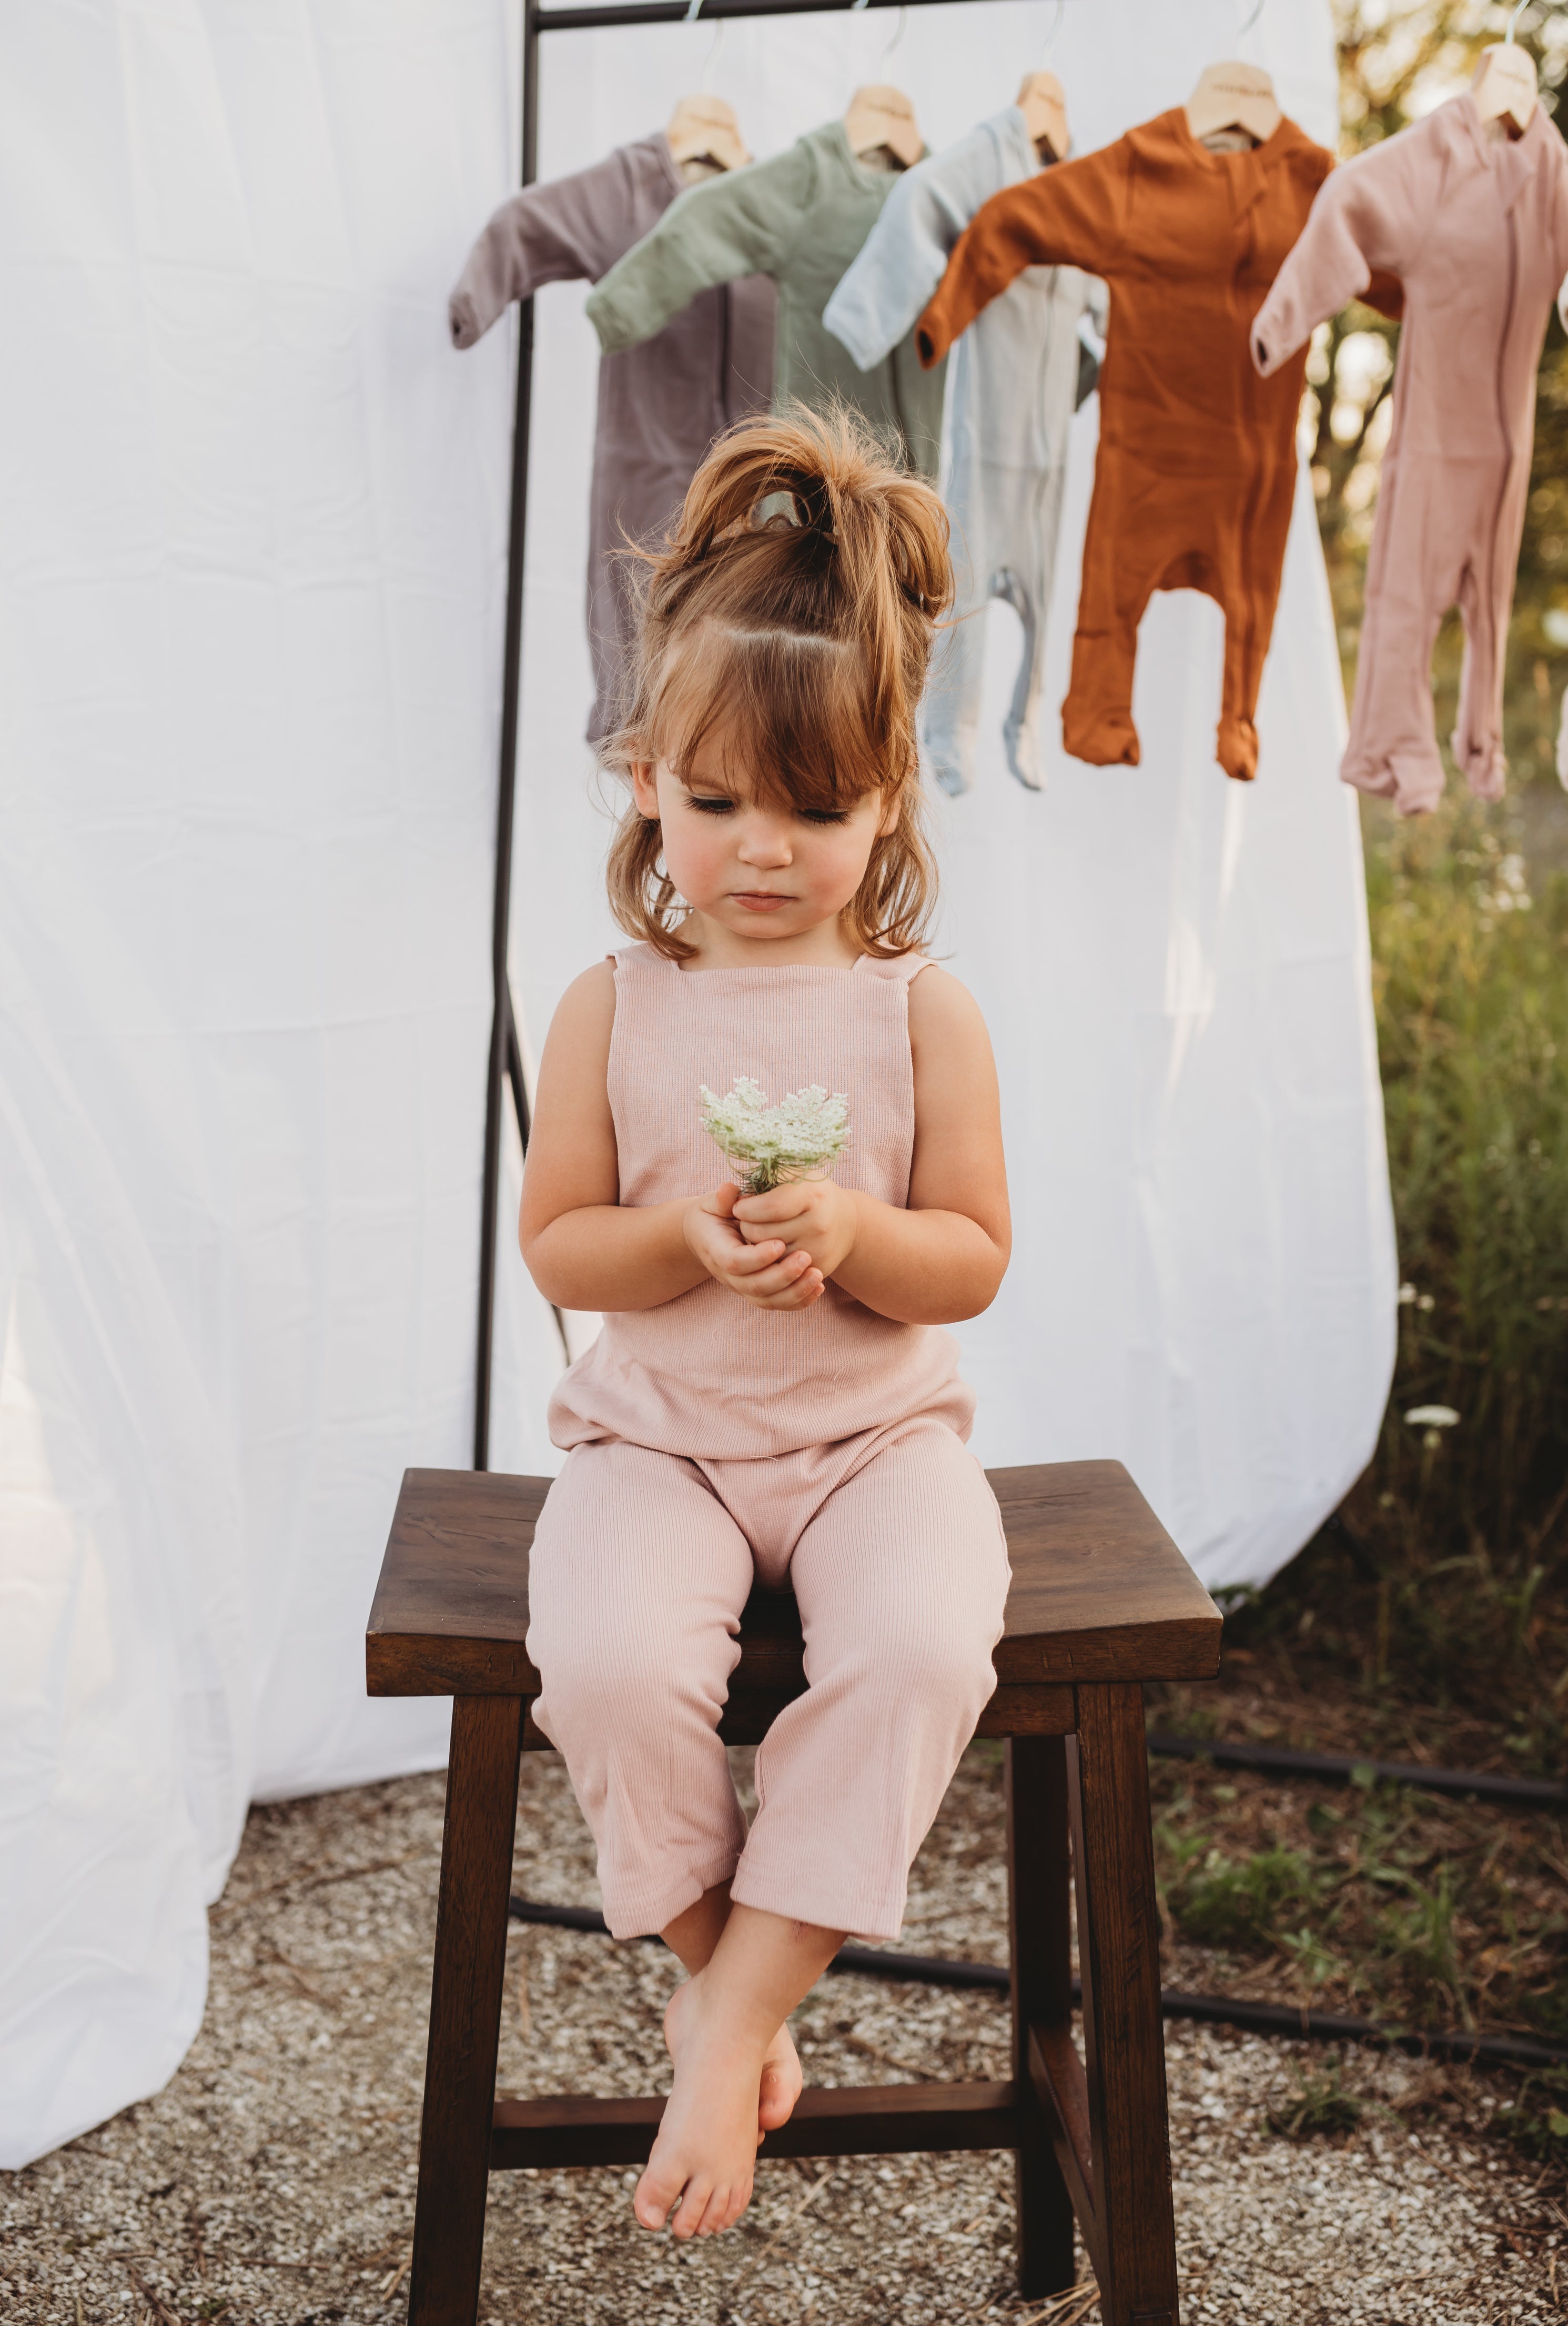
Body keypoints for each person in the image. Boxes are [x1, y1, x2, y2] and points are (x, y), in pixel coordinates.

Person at [518, 407, 1013, 2244]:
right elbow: (561, 1245)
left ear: (887, 799)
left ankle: (723, 2017)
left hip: (877, 1437)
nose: (762, 851)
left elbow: (971, 1256)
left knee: (921, 1645)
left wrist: (869, 1231)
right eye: (718, 802)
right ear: (648, 777)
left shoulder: (916, 1018)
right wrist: (674, 1242)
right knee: (614, 1666)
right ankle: (726, 1973)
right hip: (662, 1436)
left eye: (814, 811)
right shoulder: (611, 1007)